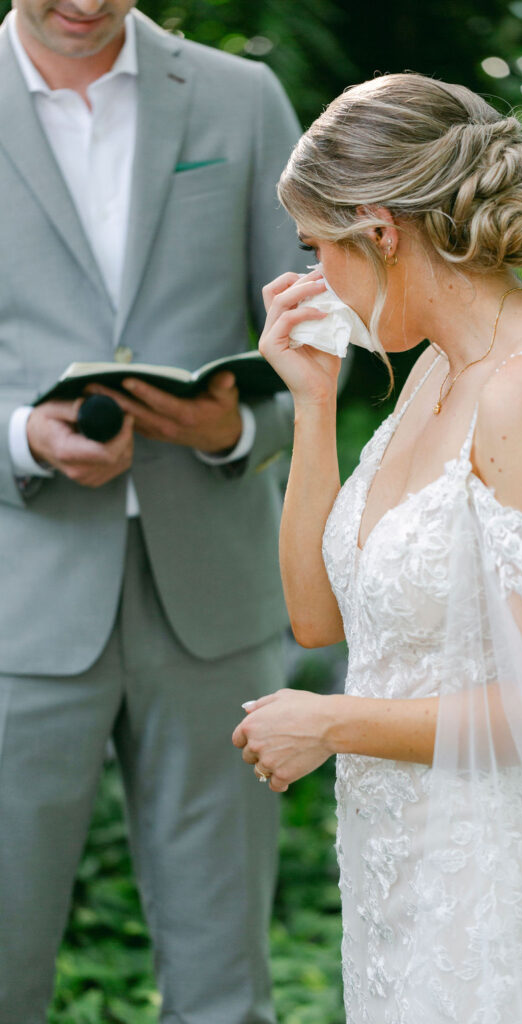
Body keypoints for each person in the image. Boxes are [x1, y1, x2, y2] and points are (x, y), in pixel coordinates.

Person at [233, 74, 522, 1024]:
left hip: (500, 890)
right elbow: (317, 616)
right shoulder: (439, 365)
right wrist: (313, 404)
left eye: (318, 247)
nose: (313, 280)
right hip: (402, 866)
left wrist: (330, 723)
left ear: (379, 229)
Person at [0, 0, 303, 1020]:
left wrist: (230, 430)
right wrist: (20, 438)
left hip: (215, 600)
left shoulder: (241, 98)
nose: (83, 3)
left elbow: (322, 326)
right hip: (14, 604)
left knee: (226, 982)